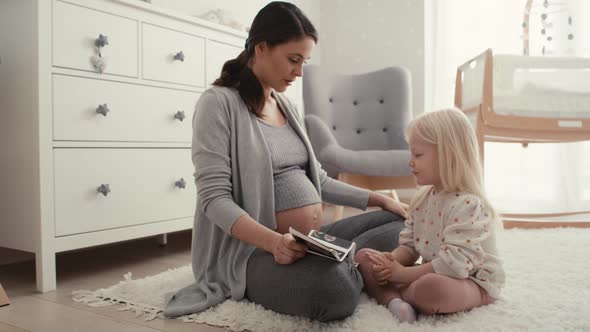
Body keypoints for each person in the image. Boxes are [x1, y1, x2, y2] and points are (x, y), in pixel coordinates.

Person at [164, 2, 408, 322]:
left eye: (304, 62)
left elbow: (317, 180)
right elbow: (214, 199)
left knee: (400, 226)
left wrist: (376, 199)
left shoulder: (285, 104)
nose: (300, 72)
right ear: (261, 48)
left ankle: (348, 264)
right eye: (294, 60)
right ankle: (355, 270)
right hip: (253, 253)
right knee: (336, 289)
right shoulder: (218, 104)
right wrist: (275, 242)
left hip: (309, 243)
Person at [355, 108, 505, 323]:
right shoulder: (423, 198)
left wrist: (401, 276)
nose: (411, 162)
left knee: (432, 288)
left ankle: (397, 295)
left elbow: (455, 266)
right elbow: (410, 247)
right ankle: (397, 304)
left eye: (418, 155)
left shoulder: (469, 205)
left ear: (448, 155)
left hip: (472, 282)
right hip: (429, 271)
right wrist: (391, 261)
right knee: (364, 258)